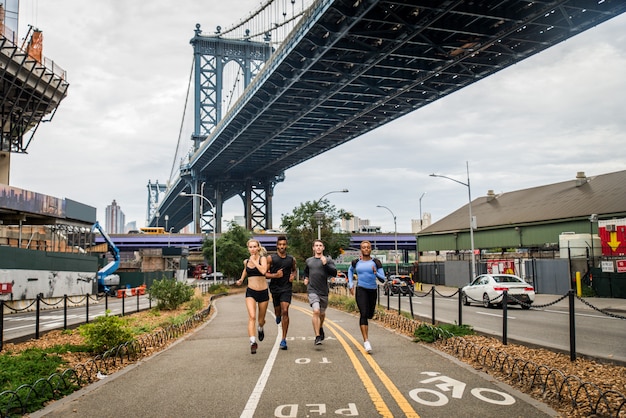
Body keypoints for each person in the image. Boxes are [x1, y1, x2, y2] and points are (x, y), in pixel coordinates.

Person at [347, 240, 386, 353]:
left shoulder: (376, 262)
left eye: (368, 247)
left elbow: (383, 279)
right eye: (364, 247)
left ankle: (366, 337)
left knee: (369, 314)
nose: (366, 249)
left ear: (370, 249)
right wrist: (350, 284)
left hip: (372, 290)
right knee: (363, 314)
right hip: (361, 289)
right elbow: (350, 271)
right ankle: (366, 341)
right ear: (361, 249)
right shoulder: (356, 262)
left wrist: (375, 273)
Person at [236, 238, 269, 354]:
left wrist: (254, 261)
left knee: (261, 320)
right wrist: (241, 279)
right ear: (248, 248)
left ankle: (260, 328)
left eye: (255, 247)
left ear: (258, 248)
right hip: (251, 292)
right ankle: (252, 341)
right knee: (252, 317)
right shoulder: (246, 261)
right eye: (250, 247)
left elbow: (263, 271)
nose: (252, 249)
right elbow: (245, 270)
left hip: (263, 292)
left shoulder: (262, 259)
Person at [266, 235, 297, 350]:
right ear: (277, 246)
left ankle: (283, 339)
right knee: (278, 311)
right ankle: (277, 315)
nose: (282, 247)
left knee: (285, 310)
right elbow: (265, 273)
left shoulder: (291, 259)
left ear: (286, 245)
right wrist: (275, 275)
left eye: (284, 244)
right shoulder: (271, 259)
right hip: (275, 289)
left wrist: (293, 276)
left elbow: (294, 270)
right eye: (280, 245)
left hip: (286, 288)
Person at [303, 239, 337, 345]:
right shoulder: (309, 260)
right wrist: (305, 278)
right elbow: (306, 271)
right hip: (312, 290)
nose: (318, 247)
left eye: (320, 245)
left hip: (323, 291)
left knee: (322, 314)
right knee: (316, 311)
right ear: (313, 248)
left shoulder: (328, 260)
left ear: (323, 248)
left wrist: (325, 264)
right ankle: (317, 336)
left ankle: (320, 327)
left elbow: (334, 273)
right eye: (316, 245)